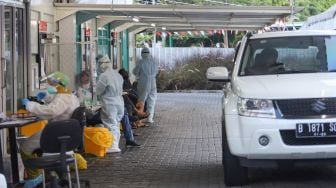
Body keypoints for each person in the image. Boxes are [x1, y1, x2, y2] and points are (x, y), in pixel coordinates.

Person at [20, 71, 80, 187]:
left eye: (50, 83)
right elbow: (56, 102)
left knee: (25, 146)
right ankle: (49, 174)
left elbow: (51, 111)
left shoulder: (63, 97)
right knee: (33, 144)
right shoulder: (70, 95)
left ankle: (35, 177)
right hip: (65, 136)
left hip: (56, 135)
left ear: (57, 84)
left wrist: (30, 105)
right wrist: (46, 97)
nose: (48, 85)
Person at [96, 55, 124, 153]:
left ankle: (113, 146)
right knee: (116, 123)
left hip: (110, 102)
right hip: (119, 101)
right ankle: (115, 144)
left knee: (110, 124)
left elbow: (99, 90)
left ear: (102, 65)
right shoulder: (117, 75)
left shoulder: (104, 76)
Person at [133, 47, 158, 123]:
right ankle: (150, 118)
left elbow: (135, 72)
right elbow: (156, 72)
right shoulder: (154, 62)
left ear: (142, 54)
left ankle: (138, 120)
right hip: (153, 82)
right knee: (152, 100)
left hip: (143, 83)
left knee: (141, 100)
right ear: (149, 53)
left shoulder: (141, 62)